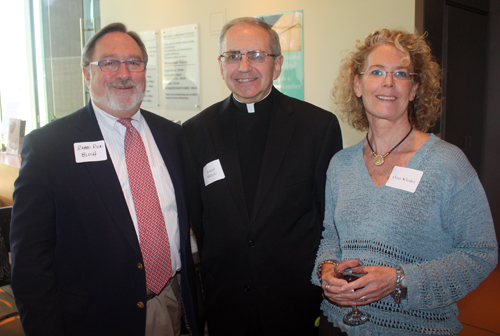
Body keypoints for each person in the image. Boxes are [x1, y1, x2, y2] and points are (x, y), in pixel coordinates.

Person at [10, 22, 202, 336]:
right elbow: (30, 259)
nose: (124, 73)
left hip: (171, 300)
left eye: (134, 63)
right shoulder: (48, 148)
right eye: (109, 63)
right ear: (87, 74)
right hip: (93, 318)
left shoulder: (172, 135)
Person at [313, 28, 498, 336]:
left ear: (414, 89)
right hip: (338, 324)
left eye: (401, 73)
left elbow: (480, 252)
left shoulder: (447, 163)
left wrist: (400, 279)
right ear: (357, 84)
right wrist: (327, 269)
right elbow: (330, 238)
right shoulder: (340, 164)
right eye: (376, 72)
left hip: (416, 328)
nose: (388, 82)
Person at [182, 17, 343, 336]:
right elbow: (199, 218)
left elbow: (328, 217)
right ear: (220, 64)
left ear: (278, 64)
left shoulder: (316, 127)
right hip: (226, 299)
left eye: (256, 55)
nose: (244, 66)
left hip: (294, 300)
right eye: (233, 55)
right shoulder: (195, 132)